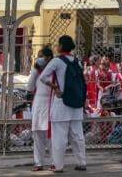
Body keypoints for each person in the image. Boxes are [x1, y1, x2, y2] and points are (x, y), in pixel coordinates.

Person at [41, 34, 87, 174]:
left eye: (58, 44)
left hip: (62, 103)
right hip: (76, 105)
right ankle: (82, 162)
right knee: (78, 136)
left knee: (59, 137)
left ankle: (59, 166)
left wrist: (55, 87)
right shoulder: (77, 62)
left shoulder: (57, 61)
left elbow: (43, 77)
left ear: (61, 46)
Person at [27, 45, 55, 171]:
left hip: (50, 105)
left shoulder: (54, 71)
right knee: (37, 135)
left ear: (49, 58)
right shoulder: (37, 71)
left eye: (41, 56)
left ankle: (55, 162)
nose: (39, 59)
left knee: (51, 137)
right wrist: (34, 70)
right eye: (38, 57)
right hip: (38, 105)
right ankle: (38, 163)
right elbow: (30, 88)